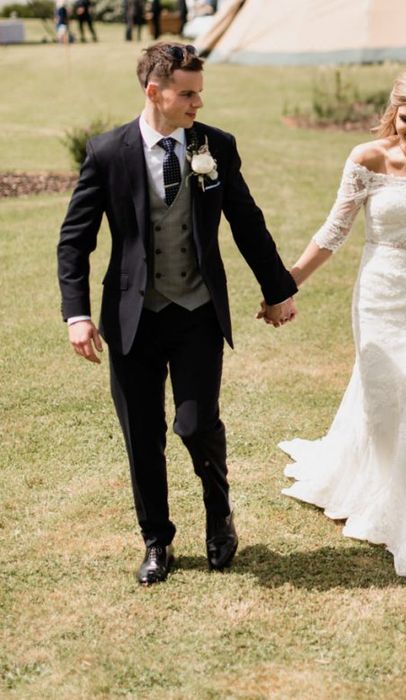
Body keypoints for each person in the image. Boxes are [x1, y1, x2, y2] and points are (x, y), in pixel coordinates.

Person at [57, 42, 298, 585]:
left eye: (199, 92)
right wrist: (76, 314)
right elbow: (74, 242)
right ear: (154, 92)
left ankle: (219, 516)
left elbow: (247, 221)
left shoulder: (215, 146)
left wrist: (277, 288)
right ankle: (156, 540)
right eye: (186, 93)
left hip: (196, 311)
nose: (197, 103)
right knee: (142, 433)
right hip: (131, 317)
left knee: (194, 425)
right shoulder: (109, 153)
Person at [278, 62, 406, 584]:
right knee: (385, 403)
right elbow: (335, 229)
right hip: (381, 295)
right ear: (394, 113)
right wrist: (290, 280)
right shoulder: (366, 159)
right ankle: (384, 491)